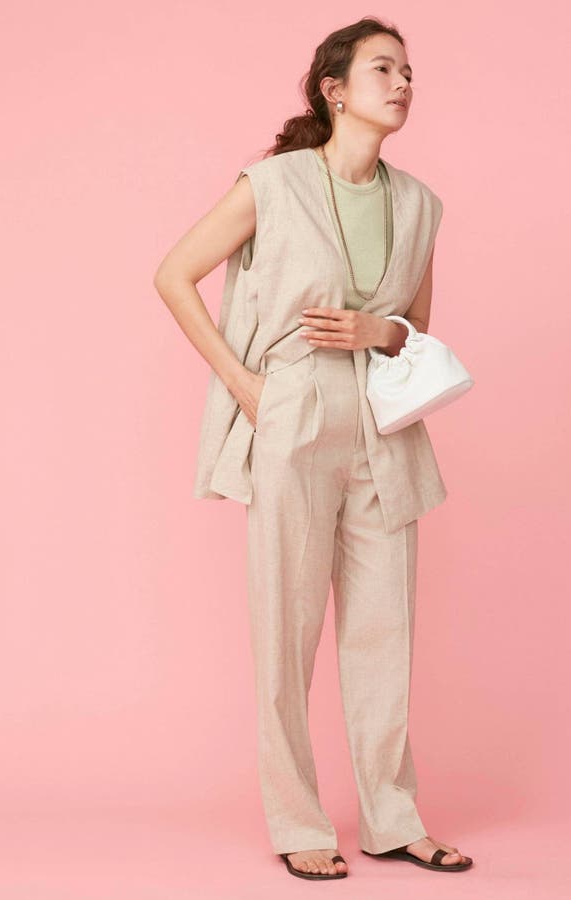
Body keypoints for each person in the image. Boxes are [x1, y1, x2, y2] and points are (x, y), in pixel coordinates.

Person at [153, 16, 472, 881]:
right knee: (285, 632)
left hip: (385, 423)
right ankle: (298, 821)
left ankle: (393, 818)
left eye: (409, 72)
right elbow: (173, 274)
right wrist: (245, 387)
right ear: (335, 90)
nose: (403, 84)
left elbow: (416, 329)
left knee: (385, 631)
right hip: (293, 411)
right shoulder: (273, 183)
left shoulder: (420, 204)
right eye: (384, 69)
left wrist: (380, 329)